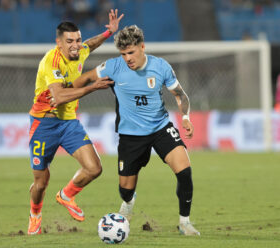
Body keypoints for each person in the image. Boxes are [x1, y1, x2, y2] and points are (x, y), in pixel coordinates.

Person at [69, 25, 200, 236]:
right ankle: (129, 202)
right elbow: (85, 78)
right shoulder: (113, 67)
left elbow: (180, 94)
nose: (127, 58)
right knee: (125, 189)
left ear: (142, 47)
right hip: (131, 136)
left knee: (185, 171)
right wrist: (65, 92)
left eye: (131, 52)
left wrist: (185, 117)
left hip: (160, 128)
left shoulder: (161, 67)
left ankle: (184, 222)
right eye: (123, 54)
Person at [27, 9, 123, 235]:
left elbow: (91, 44)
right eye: (70, 41)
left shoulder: (79, 51)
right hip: (44, 124)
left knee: (94, 168)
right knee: (41, 183)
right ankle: (35, 214)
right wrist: (92, 87)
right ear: (58, 43)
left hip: (68, 122)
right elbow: (58, 97)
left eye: (78, 40)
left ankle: (66, 194)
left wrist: (108, 32)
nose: (76, 45)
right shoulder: (51, 61)